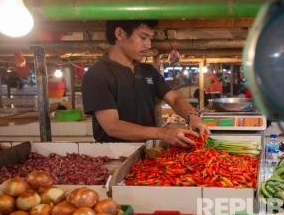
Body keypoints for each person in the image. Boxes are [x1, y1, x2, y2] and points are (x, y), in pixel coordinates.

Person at [82, 20, 210, 146]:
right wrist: (162, 133)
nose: (148, 45)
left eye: (150, 38)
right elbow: (112, 126)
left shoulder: (147, 71)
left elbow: (175, 99)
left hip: (147, 151)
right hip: (117, 155)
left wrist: (192, 117)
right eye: (143, 37)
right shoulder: (98, 75)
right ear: (120, 34)